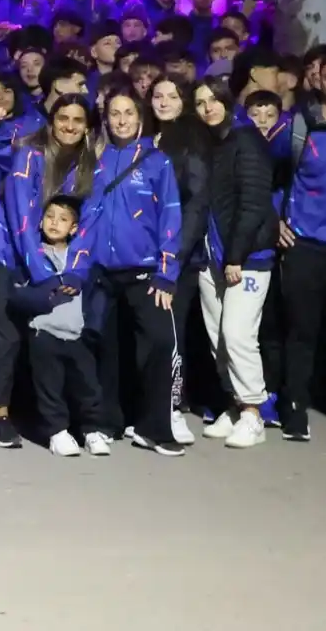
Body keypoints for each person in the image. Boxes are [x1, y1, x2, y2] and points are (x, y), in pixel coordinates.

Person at [0, 93, 94, 448]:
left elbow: (89, 220)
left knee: (55, 337)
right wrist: (43, 274)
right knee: (5, 336)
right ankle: (1, 417)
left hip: (49, 259)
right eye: (63, 119)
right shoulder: (29, 154)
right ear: (51, 121)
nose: (69, 126)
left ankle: (66, 418)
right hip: (5, 255)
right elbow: (20, 218)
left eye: (77, 120)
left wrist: (73, 269)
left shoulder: (89, 165)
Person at [87, 89, 185, 456]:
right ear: (106, 118)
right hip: (100, 271)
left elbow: (172, 217)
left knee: (159, 344)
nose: (122, 120)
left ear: (140, 117)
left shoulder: (157, 161)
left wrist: (166, 271)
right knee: (106, 348)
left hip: (145, 271)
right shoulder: (95, 158)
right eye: (115, 113)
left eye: (129, 112)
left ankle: (155, 426)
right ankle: (108, 420)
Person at [274, 47, 326, 441]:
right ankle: (295, 411)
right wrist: (275, 221)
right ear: (318, 80)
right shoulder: (299, 126)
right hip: (308, 243)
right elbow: (267, 176)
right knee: (302, 332)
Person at [191, 78, 276, 448]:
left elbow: (254, 202)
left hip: (246, 258)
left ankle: (254, 413)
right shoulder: (210, 144)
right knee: (218, 339)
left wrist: (236, 255)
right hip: (211, 257)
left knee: (238, 335)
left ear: (227, 102)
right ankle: (236, 404)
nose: (208, 107)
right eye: (200, 102)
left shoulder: (246, 140)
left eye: (214, 100)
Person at [9, 194, 111, 457]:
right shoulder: (33, 255)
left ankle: (91, 430)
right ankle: (57, 432)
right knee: (49, 387)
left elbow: (94, 294)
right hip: (44, 333)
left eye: (63, 219)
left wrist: (92, 328)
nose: (55, 223)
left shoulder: (82, 259)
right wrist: (45, 299)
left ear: (74, 228)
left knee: (88, 386)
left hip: (76, 335)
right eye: (50, 217)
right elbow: (17, 294)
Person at [148, 73, 211, 445]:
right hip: (142, 250)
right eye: (158, 95)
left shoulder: (191, 138)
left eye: (172, 96)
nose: (164, 102)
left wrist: (175, 255)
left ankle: (174, 406)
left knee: (173, 335)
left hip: (177, 255)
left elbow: (197, 203)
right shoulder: (144, 138)